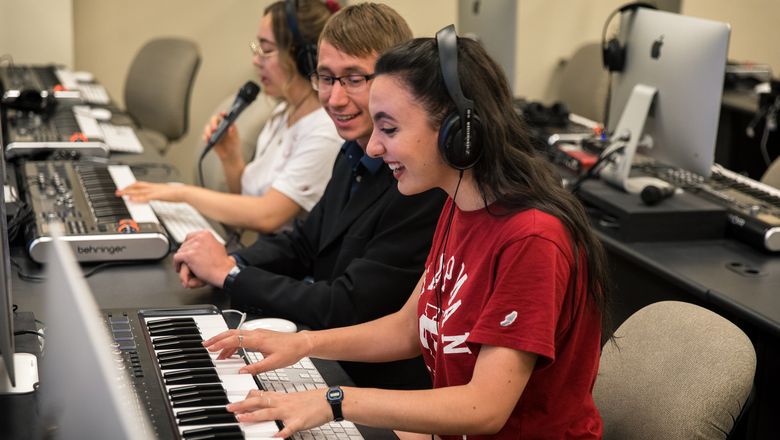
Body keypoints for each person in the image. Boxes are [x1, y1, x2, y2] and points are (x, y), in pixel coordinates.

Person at [202, 26, 612, 439]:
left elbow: (483, 407)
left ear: (457, 134)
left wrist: (335, 401)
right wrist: (303, 344)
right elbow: (408, 327)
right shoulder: (459, 206)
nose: (373, 148)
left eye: (390, 129)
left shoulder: (532, 240)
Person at [172, 3, 446, 390]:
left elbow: (346, 305)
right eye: (325, 78)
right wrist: (229, 260)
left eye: (353, 79)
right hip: (331, 358)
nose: (334, 99)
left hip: (374, 382)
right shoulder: (352, 153)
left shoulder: (418, 181)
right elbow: (305, 241)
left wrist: (230, 275)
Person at [117, 0, 342, 233]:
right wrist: (231, 158)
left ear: (302, 56)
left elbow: (267, 216)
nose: (256, 60)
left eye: (266, 49)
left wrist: (181, 194)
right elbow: (246, 199)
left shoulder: (324, 132)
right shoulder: (283, 112)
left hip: (285, 266)